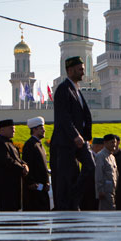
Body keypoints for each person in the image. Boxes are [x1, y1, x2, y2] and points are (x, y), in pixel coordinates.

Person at [50, 56, 93, 210]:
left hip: (79, 142)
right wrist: (75, 135)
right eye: (80, 69)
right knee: (65, 177)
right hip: (66, 142)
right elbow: (63, 117)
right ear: (70, 70)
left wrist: (86, 137)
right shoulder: (63, 89)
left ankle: (73, 198)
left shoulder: (76, 90)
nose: (83, 72)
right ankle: (65, 205)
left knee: (90, 167)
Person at [0, 119, 29, 212]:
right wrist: (21, 168)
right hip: (5, 187)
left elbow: (17, 159)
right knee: (7, 213)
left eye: (14, 128)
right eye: (11, 128)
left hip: (13, 187)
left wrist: (25, 165)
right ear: (2, 130)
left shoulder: (9, 142)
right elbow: (6, 160)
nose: (14, 130)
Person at [22, 117, 51, 211]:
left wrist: (46, 182)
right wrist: (32, 183)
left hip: (42, 188)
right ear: (34, 129)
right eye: (41, 128)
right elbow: (28, 166)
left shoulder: (39, 145)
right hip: (35, 190)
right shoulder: (30, 145)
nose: (44, 130)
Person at [95, 133, 119, 210]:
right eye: (112, 142)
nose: (114, 145)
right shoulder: (101, 156)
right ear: (105, 143)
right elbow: (99, 174)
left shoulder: (112, 157)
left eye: (115, 142)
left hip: (112, 190)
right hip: (105, 192)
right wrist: (100, 190)